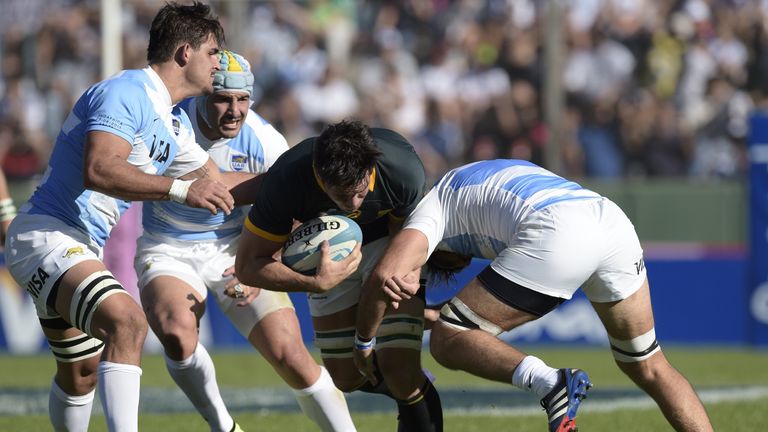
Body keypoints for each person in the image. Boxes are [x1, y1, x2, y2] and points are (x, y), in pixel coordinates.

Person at [3, 3, 235, 431]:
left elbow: (218, 183)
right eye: (214, 52)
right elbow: (100, 168)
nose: (220, 63)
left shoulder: (172, 123)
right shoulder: (126, 93)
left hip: (75, 244)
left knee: (82, 373)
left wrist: (298, 190)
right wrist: (182, 188)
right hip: (47, 234)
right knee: (128, 322)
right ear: (185, 53)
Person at [354, 159, 714, 432]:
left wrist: (364, 344)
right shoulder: (469, 178)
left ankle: (551, 383)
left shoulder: (428, 212)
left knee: (448, 340)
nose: (464, 260)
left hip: (558, 228)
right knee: (648, 363)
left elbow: (387, 274)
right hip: (610, 221)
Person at [135, 50, 356, 432]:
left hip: (239, 247)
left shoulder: (267, 142)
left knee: (292, 357)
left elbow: (295, 214)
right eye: (222, 98)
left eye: (242, 99)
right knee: (175, 332)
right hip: (168, 246)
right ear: (202, 92)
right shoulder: (170, 124)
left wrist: (259, 263)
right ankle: (225, 427)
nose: (234, 110)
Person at [234, 120, 443, 431]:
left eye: (361, 192)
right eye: (343, 196)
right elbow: (247, 266)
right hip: (327, 256)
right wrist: (313, 282)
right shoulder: (287, 179)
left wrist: (402, 282)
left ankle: (407, 374)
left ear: (372, 167)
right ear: (319, 176)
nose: (355, 204)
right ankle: (415, 334)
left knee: (399, 368)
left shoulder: (402, 169)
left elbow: (405, 244)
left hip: (388, 243)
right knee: (345, 377)